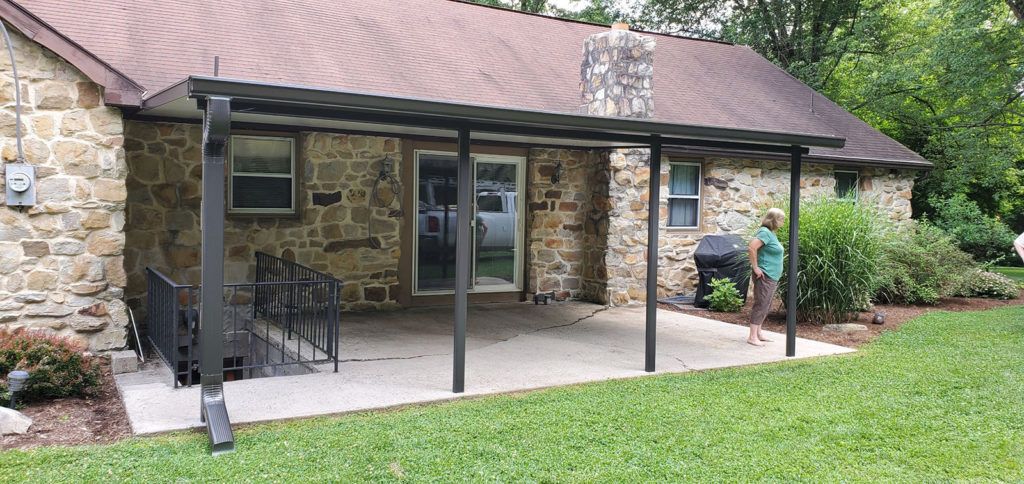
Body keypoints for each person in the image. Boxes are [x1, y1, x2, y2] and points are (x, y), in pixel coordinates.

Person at [746, 208, 786, 347]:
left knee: (767, 305)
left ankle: (758, 332)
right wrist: (756, 267)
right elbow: (751, 248)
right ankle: (752, 336)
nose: (783, 222)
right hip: (765, 275)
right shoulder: (765, 232)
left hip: (772, 275)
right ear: (773, 219)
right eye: (781, 219)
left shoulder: (771, 233)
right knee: (761, 304)